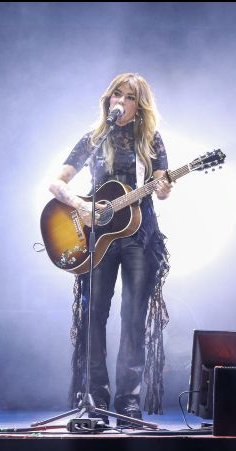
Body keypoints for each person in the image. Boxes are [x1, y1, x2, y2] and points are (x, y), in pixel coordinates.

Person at [49, 73, 173, 425]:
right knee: (93, 317)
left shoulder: (150, 139)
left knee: (133, 318)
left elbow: (162, 186)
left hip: (139, 235)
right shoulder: (94, 136)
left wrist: (164, 186)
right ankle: (95, 398)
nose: (120, 100)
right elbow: (55, 182)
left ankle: (128, 402)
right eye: (116, 94)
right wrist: (81, 206)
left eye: (129, 96)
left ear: (140, 104)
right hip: (99, 237)